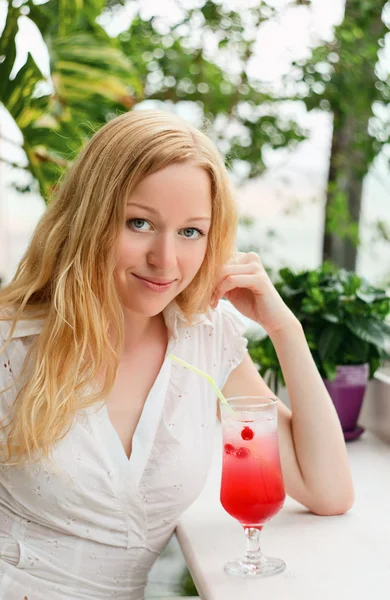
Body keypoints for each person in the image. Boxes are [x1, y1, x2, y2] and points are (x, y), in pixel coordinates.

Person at [0, 109, 354, 599]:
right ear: (89, 218)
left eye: (191, 232)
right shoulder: (12, 344)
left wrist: (283, 327)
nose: (165, 260)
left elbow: (327, 491)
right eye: (139, 223)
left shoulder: (204, 338)